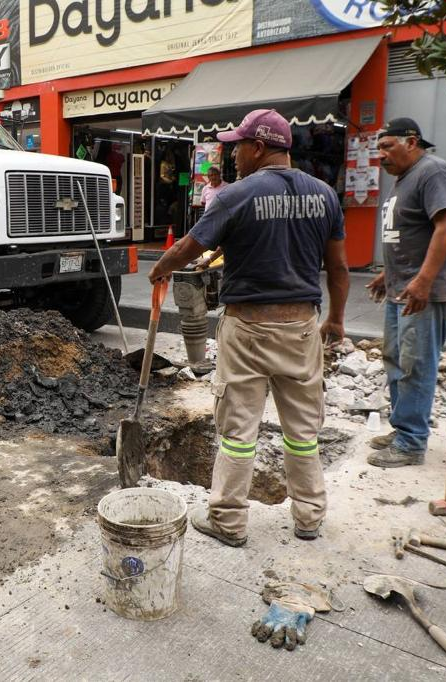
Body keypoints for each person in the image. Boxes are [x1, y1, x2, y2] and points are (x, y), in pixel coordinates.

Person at [150, 108, 349, 547]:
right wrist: (336, 318)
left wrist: (160, 268)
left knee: (239, 432)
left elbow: (189, 246)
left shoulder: (236, 195)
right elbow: (338, 267)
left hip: (248, 330)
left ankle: (228, 520)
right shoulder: (325, 195)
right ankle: (309, 516)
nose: (232, 154)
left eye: (237, 146)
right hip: (301, 328)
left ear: (258, 148)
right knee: (303, 431)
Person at [365, 118, 446, 467]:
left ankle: (411, 442)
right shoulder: (406, 178)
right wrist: (388, 273)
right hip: (402, 287)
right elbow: (412, 232)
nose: (381, 155)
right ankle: (403, 429)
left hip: (426, 291)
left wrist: (424, 279)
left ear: (411, 142)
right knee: (396, 359)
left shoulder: (433, 172)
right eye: (379, 148)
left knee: (416, 364)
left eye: (387, 146)